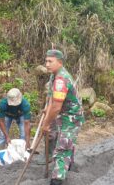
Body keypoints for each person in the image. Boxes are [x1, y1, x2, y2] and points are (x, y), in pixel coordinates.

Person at [42, 49, 85, 185]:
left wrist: (46, 123)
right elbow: (51, 100)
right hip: (62, 114)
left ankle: (57, 178)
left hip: (72, 117)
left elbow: (56, 107)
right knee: (61, 141)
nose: (47, 64)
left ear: (59, 62)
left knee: (63, 146)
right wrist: (46, 113)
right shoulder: (53, 75)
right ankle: (68, 165)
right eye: (46, 61)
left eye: (50, 61)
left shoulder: (61, 79)